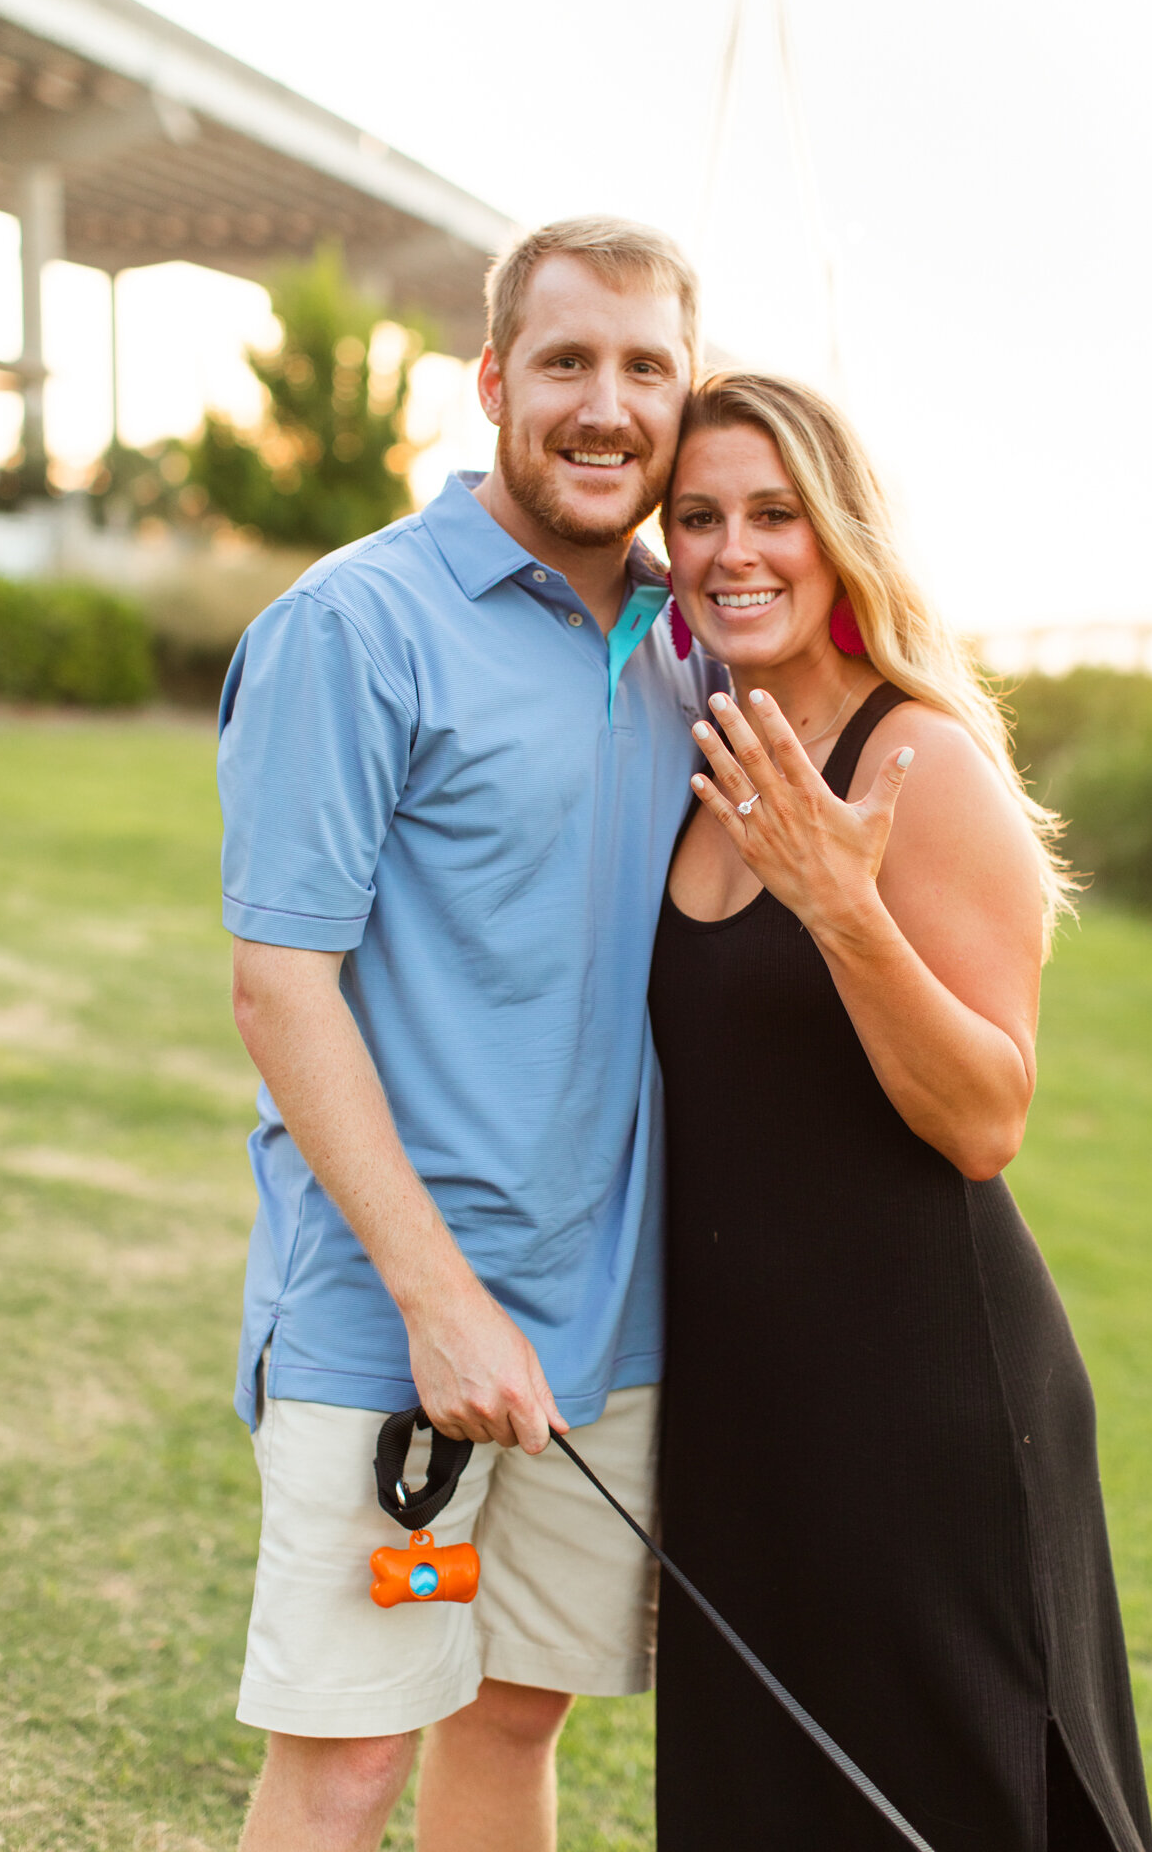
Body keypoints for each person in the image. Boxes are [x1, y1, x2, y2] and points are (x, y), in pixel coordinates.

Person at [217, 217, 721, 1852]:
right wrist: (440, 1305)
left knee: (511, 1723)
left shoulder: (690, 644)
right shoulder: (354, 627)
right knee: (352, 1760)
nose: (605, 404)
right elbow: (278, 986)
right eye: (566, 360)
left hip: (608, 1329)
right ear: (494, 380)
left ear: (683, 396)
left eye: (645, 368)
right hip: (393, 1325)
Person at [648, 371, 1152, 1850]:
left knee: (940, 1803)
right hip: (746, 1400)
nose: (735, 549)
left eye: (773, 512)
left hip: (920, 1397)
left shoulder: (916, 755)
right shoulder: (701, 750)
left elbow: (986, 1114)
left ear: (839, 533)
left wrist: (841, 910)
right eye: (698, 517)